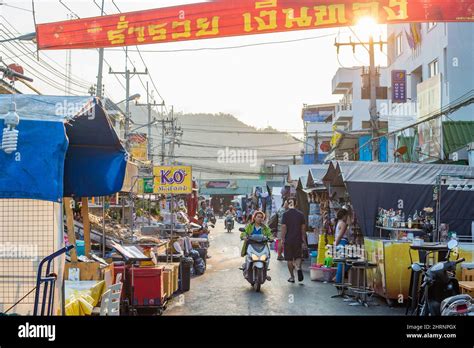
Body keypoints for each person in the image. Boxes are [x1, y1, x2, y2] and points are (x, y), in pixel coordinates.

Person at [280, 198, 307, 283]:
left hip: (288, 239)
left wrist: (282, 238)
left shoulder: (285, 214)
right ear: (296, 204)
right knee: (298, 256)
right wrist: (303, 239)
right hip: (298, 239)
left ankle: (292, 277)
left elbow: (284, 227)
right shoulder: (301, 214)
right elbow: (303, 228)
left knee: (289, 259)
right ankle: (298, 268)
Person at [240, 211, 273, 277]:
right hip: (251, 245)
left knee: (266, 257)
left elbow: (269, 234)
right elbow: (244, 233)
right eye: (258, 217)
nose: (260, 218)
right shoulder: (249, 226)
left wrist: (271, 238)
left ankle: (265, 272)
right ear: (254, 218)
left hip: (262, 245)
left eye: (261, 217)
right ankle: (246, 270)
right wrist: (244, 236)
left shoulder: (265, 227)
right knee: (249, 256)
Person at [334, 208, 350, 284]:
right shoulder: (343, 224)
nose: (347, 217)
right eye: (346, 215)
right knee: (343, 264)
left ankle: (338, 279)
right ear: (344, 215)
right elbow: (340, 236)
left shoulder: (338, 223)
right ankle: (338, 281)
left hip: (340, 244)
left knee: (342, 263)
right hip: (342, 243)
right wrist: (335, 244)